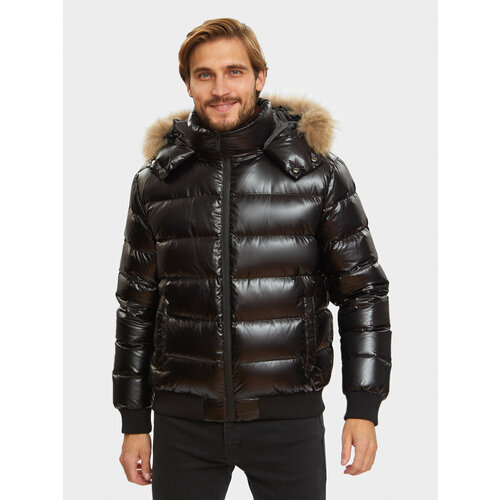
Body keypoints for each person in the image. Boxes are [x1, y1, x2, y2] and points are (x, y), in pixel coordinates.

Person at [112, 17, 392, 499]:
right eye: (205, 75)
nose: (221, 89)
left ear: (260, 77)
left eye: (234, 72)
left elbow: (363, 292)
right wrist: (134, 420)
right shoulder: (156, 183)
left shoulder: (316, 173)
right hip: (183, 422)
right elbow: (136, 305)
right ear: (188, 84)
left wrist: (363, 408)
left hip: (288, 420)